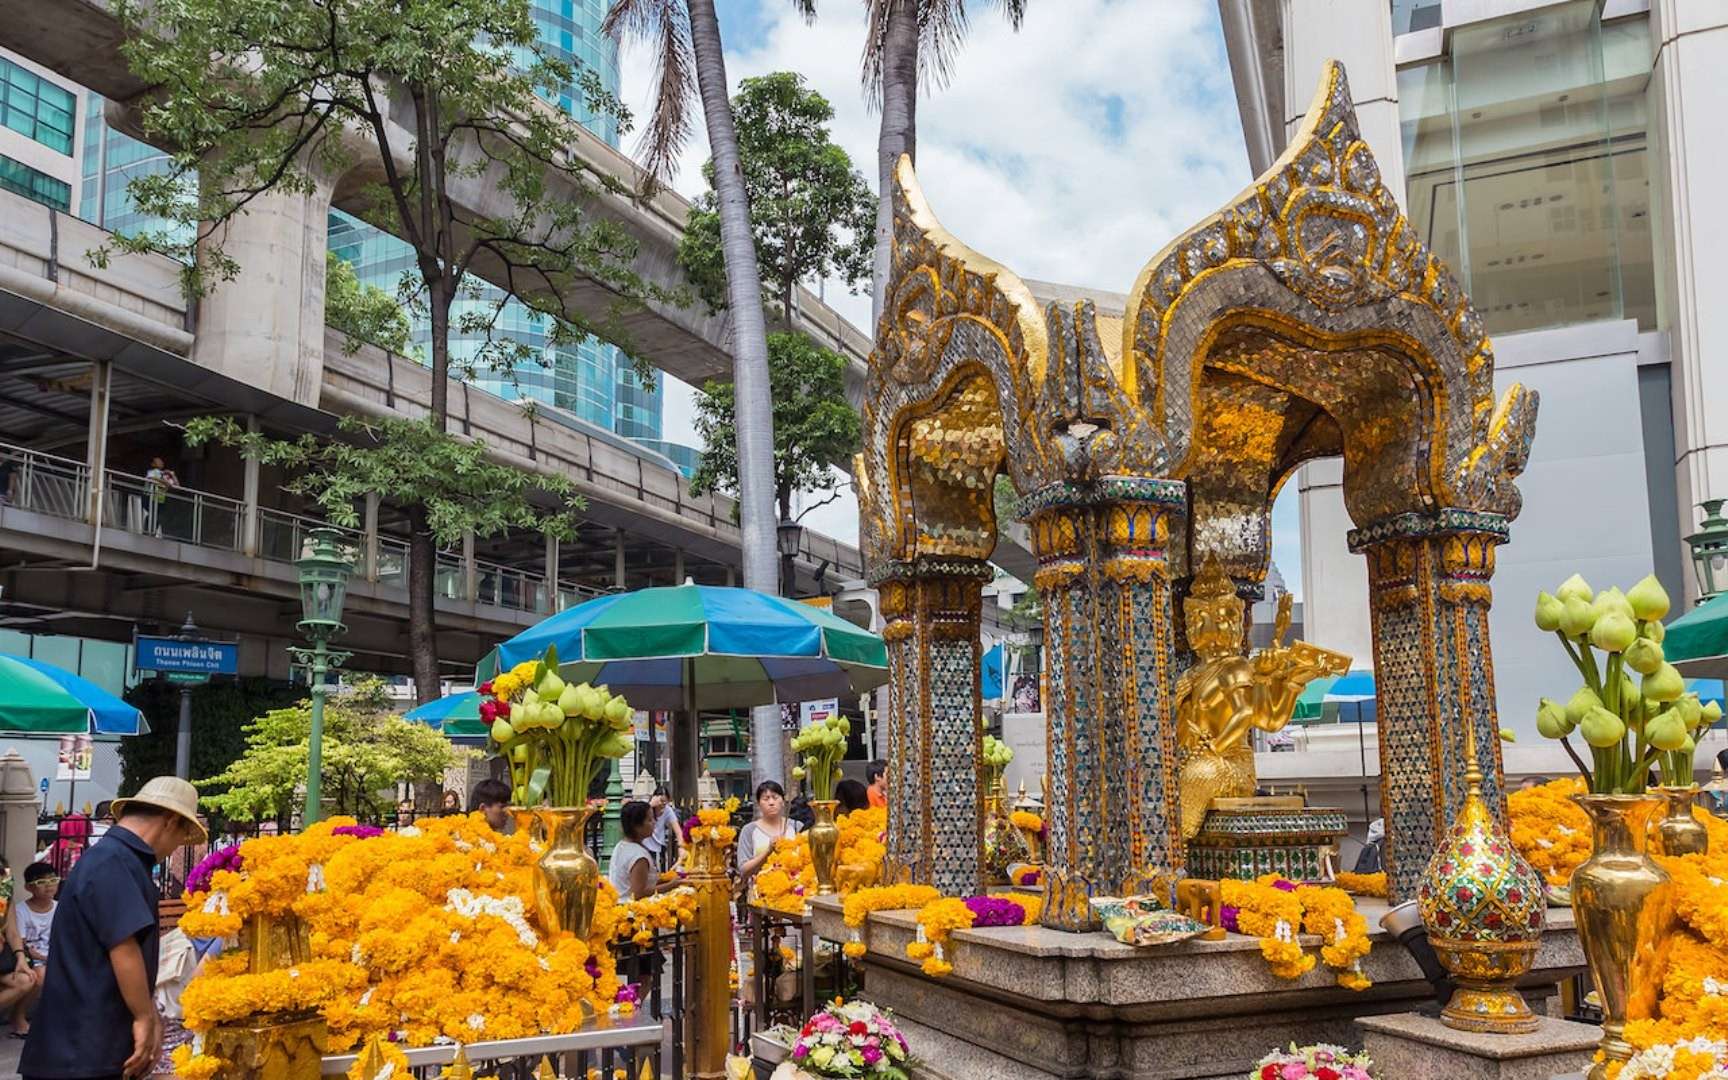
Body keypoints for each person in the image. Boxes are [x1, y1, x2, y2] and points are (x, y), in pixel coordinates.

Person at [20, 775, 207, 1080]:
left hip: (85, 1046)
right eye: (181, 836)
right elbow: (123, 946)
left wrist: (148, 1014)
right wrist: (144, 1017)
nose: (176, 847)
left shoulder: (116, 857)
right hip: (80, 1050)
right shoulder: (114, 860)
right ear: (170, 822)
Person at [736, 781, 802, 892]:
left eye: (775, 798)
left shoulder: (797, 827)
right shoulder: (749, 830)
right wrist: (768, 851)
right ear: (759, 803)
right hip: (761, 892)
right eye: (766, 799)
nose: (771, 802)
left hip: (795, 891)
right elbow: (744, 870)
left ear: (783, 801)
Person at [608, 801, 662, 902]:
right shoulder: (639, 856)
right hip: (631, 908)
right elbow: (638, 893)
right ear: (637, 826)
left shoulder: (621, 845)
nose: (654, 823)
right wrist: (672, 885)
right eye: (650, 820)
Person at [641, 786, 683, 872]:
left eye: (665, 802)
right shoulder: (647, 808)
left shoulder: (668, 810)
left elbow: (678, 831)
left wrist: (681, 846)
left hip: (659, 845)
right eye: (661, 801)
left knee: (660, 869)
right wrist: (650, 805)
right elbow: (637, 818)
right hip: (645, 844)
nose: (662, 805)